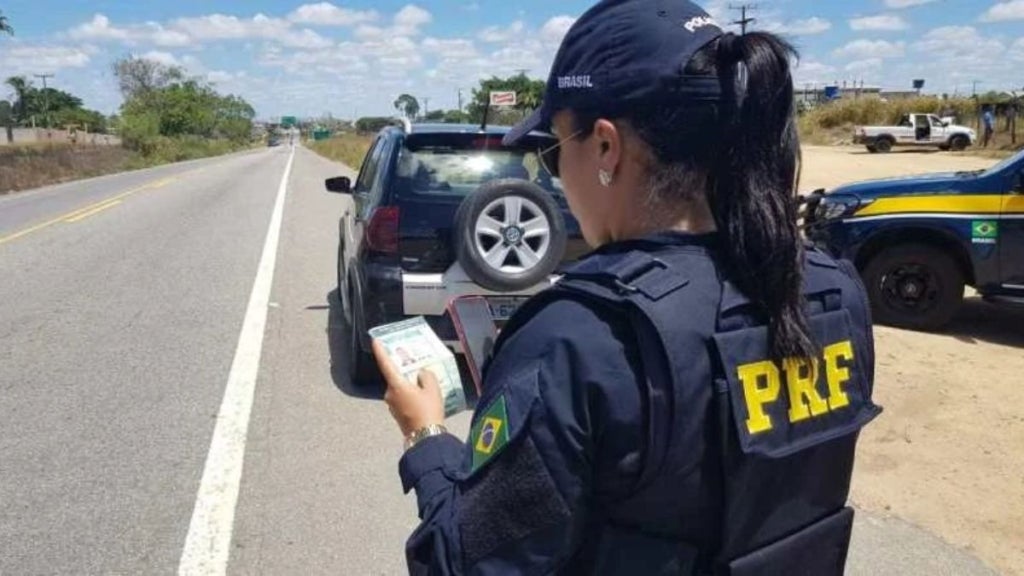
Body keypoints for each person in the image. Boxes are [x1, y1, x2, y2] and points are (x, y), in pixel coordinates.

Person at [372, 1, 882, 574]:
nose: (556, 178)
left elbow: (462, 563)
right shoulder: (827, 288)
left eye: (554, 150)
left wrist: (428, 438)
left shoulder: (580, 340)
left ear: (607, 148)